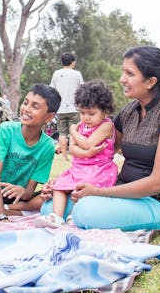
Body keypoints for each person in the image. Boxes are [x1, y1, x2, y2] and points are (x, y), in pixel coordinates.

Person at [61, 46, 160, 231]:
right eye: (122, 71)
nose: (122, 79)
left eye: (129, 73)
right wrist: (66, 182)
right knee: (53, 206)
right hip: (126, 194)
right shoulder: (130, 111)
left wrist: (100, 193)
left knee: (84, 211)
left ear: (150, 81)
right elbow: (101, 152)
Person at [35, 80, 118, 227]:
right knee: (59, 186)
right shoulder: (83, 126)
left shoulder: (106, 126)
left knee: (83, 188)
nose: (86, 118)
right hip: (78, 167)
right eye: (82, 113)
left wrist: (73, 131)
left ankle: (74, 217)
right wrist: (86, 153)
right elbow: (72, 149)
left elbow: (87, 144)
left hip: (98, 169)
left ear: (105, 110)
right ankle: (57, 217)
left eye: (91, 113)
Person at [0, 84, 60, 219]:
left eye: (35, 106)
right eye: (25, 103)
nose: (26, 109)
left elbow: (29, 191)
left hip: (16, 196)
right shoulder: (6, 130)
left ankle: (10, 209)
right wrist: (1, 215)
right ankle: (7, 210)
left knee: (55, 193)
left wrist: (23, 192)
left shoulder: (47, 145)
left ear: (49, 117)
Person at [50, 52, 84, 162]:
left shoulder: (56, 73)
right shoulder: (77, 74)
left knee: (62, 133)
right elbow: (82, 89)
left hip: (60, 109)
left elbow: (52, 89)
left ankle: (64, 157)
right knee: (74, 132)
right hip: (74, 108)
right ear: (73, 63)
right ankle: (75, 155)